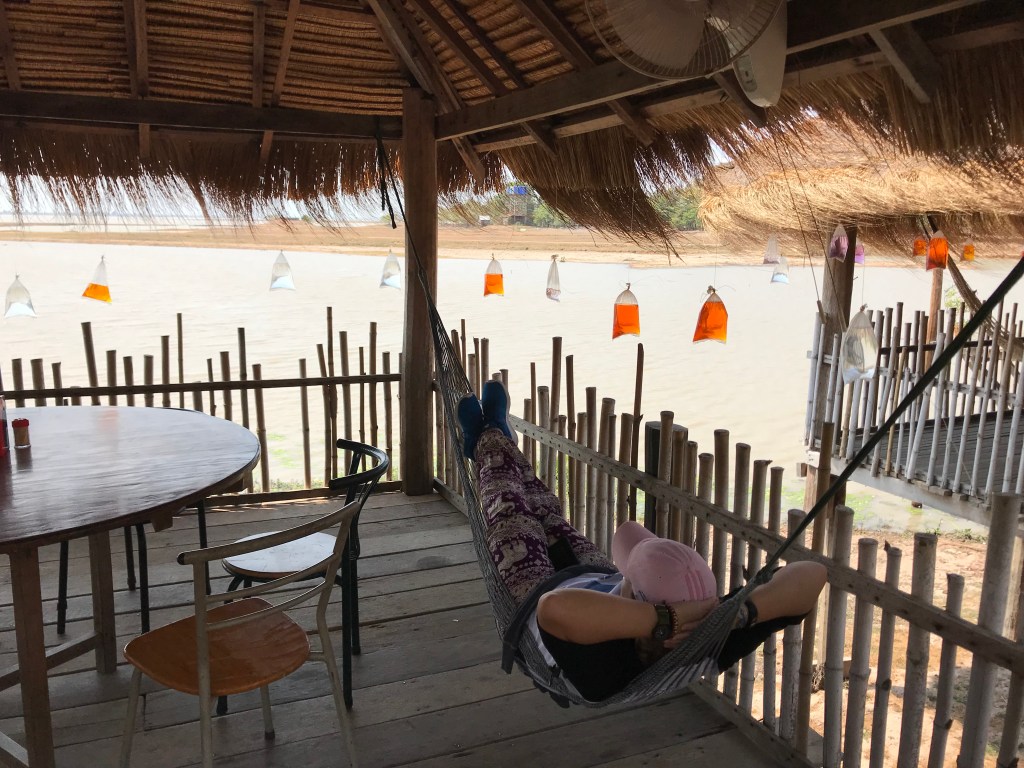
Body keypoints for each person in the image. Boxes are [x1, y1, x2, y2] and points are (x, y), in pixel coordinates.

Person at [459, 380, 827, 703]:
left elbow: (553, 608)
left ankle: (486, 440)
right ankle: (497, 437)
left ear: (637, 599)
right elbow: (813, 574)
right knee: (543, 506)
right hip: (589, 574)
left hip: (532, 592)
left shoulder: (604, 669)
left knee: (507, 506)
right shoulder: (704, 636)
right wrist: (736, 615)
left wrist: (664, 619)